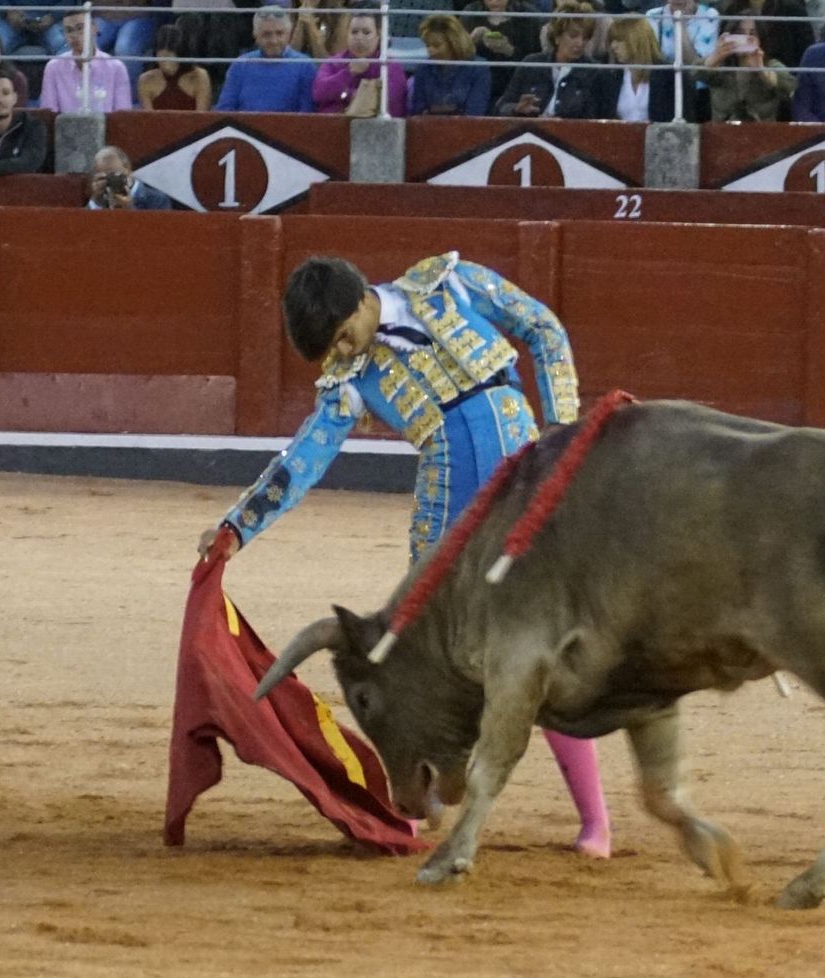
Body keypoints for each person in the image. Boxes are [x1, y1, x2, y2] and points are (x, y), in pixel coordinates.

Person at [198, 253, 613, 860]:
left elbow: (543, 327)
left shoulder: (449, 283)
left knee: (537, 647)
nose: (342, 354)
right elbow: (302, 462)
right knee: (427, 664)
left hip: (525, 480)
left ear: (362, 300)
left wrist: (563, 432)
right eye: (331, 351)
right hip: (445, 508)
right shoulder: (349, 380)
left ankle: (595, 822)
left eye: (342, 337)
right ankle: (420, 809)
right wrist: (237, 527)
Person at [494, 5, 613, 118]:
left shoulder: (595, 72)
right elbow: (502, 107)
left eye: (585, 37)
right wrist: (517, 108)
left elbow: (596, 118)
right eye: (573, 36)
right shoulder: (532, 63)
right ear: (557, 37)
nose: (580, 43)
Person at [312, 3, 407, 117]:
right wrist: (348, 74)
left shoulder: (390, 67)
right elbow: (319, 93)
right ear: (347, 34)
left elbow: (389, 104)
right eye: (354, 32)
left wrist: (342, 96)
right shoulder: (333, 63)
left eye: (366, 32)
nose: (359, 38)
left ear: (379, 35)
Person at [215, 6, 315, 113]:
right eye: (266, 34)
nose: (274, 41)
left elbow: (308, 114)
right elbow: (224, 109)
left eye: (279, 33)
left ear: (289, 34)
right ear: (255, 35)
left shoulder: (304, 65)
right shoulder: (241, 65)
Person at [700, 14, 794, 122]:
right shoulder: (720, 65)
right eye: (740, 33)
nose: (746, 38)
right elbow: (694, 72)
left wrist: (761, 71)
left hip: (762, 133)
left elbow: (789, 85)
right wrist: (715, 57)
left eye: (752, 34)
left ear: (760, 38)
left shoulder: (771, 64)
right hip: (722, 132)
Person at [40, 8, 134, 114]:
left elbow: (122, 116)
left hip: (106, 129)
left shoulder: (116, 68)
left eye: (80, 28)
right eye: (69, 30)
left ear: (94, 28)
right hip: (65, 128)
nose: (74, 35)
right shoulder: (53, 67)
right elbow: (49, 114)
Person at [459, 0, 541, 106]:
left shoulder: (528, 15)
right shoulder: (471, 13)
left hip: (515, 85)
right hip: (475, 86)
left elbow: (536, 63)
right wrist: (471, 41)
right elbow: (457, 58)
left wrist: (509, 51)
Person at [409, 14, 489, 116]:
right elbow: (418, 111)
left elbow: (475, 112)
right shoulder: (423, 69)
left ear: (454, 43)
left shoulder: (479, 69)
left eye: (436, 45)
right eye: (427, 45)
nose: (430, 51)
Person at [138, 23, 213, 109]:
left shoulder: (199, 77)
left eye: (170, 58)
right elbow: (148, 119)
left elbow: (202, 118)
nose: (167, 65)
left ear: (181, 54)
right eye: (162, 58)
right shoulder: (146, 80)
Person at [88, 145, 173, 210]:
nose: (111, 180)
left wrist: (130, 210)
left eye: (114, 174)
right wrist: (96, 201)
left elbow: (158, 230)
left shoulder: (157, 199)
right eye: (105, 177)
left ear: (128, 168)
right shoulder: (100, 199)